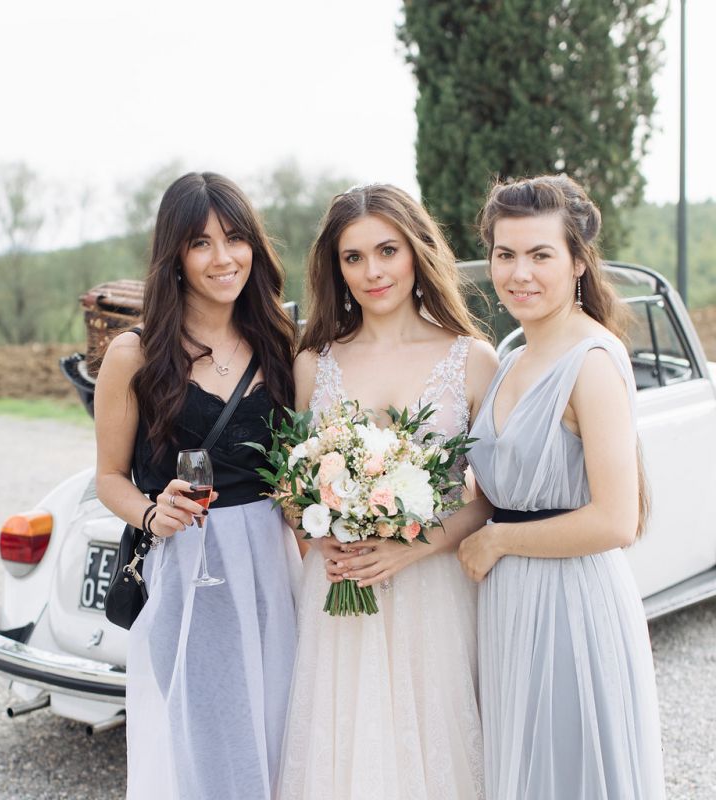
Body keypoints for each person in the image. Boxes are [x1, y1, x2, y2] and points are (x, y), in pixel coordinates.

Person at [277, 184, 499, 799]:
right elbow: (294, 487)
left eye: (387, 251)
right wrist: (321, 533)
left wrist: (415, 545)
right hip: (339, 589)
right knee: (343, 754)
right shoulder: (313, 362)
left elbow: (487, 497)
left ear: (416, 252)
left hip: (433, 591)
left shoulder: (471, 359)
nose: (372, 271)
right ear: (336, 268)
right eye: (353, 258)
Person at [95, 172, 302, 800]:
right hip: (191, 570)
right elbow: (108, 477)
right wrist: (151, 514)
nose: (223, 258)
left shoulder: (278, 342)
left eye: (236, 239)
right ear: (175, 257)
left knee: (280, 736)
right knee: (210, 750)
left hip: (273, 564)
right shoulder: (134, 355)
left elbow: (296, 469)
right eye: (201, 243)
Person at [459, 175, 665, 799]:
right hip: (508, 606)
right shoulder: (513, 353)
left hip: (573, 604)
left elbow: (615, 521)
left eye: (540, 254)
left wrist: (497, 545)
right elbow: (498, 489)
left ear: (577, 261)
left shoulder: (593, 362)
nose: (519, 273)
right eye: (505, 254)